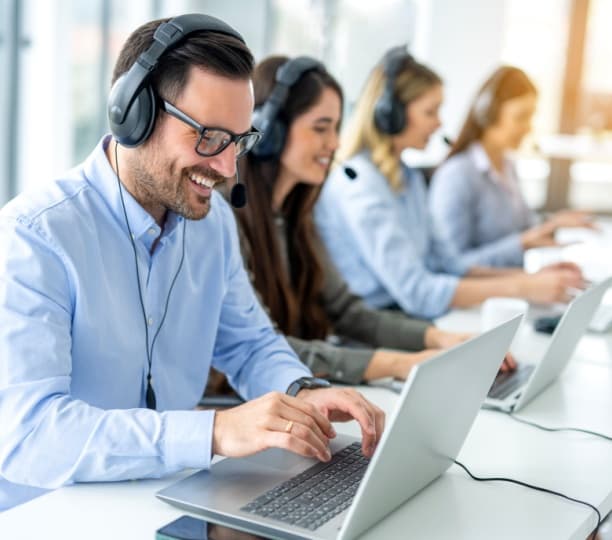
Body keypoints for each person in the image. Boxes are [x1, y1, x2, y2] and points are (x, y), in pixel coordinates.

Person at [0, 14, 383, 511]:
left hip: (164, 498)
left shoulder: (213, 223)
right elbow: (30, 434)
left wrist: (300, 391)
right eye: (209, 137)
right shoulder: (34, 237)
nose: (227, 168)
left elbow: (247, 345)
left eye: (240, 141)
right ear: (134, 114)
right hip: (53, 513)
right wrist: (215, 431)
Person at [222, 54, 501, 388]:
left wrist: (439, 339)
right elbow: (258, 349)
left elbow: (346, 311)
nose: (336, 143)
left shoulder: (296, 215)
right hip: (250, 402)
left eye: (336, 128)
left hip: (299, 390)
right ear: (270, 132)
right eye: (320, 128)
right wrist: (400, 363)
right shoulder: (225, 218)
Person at [314, 47, 585, 320]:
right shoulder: (360, 185)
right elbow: (417, 292)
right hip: (376, 327)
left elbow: (447, 264)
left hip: (410, 317)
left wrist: (534, 278)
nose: (439, 122)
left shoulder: (407, 177)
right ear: (391, 114)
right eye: (430, 111)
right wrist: (523, 287)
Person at [429, 66, 594, 268]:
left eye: (531, 117)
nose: (528, 127)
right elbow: (450, 265)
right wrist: (521, 245)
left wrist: (554, 224)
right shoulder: (457, 175)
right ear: (488, 112)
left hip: (511, 291)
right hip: (482, 296)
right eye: (520, 117)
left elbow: (524, 228)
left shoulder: (508, 166)